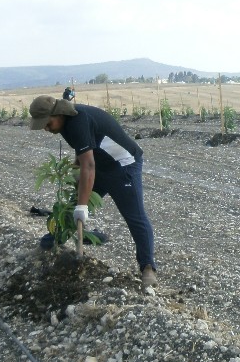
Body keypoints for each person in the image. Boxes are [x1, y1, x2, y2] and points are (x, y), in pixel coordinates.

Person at [29, 95, 158, 288]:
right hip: (100, 165)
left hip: (123, 166)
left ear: (57, 114)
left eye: (47, 123)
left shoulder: (78, 120)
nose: (46, 129)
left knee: (135, 216)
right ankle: (49, 243)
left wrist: (83, 205)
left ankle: (148, 267)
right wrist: (75, 168)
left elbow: (88, 165)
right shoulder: (64, 123)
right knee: (70, 207)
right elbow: (83, 148)